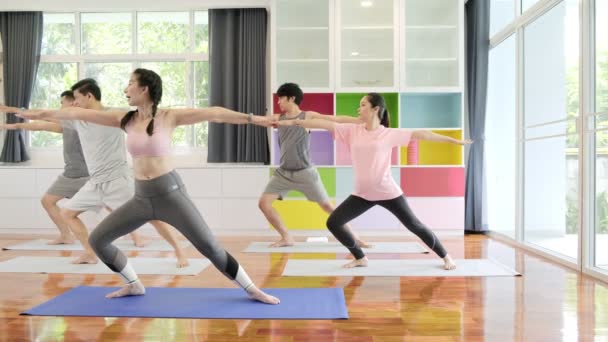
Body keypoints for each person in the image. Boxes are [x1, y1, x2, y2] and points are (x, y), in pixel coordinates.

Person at [11, 68, 280, 304]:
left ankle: (252, 289)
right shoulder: (124, 119)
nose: (125, 88)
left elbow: (215, 114)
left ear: (145, 88)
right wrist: (35, 113)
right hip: (141, 197)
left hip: (170, 194)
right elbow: (74, 111)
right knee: (98, 240)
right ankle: (133, 284)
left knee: (209, 247)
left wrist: (255, 119)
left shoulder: (169, 117)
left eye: (130, 83)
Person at [2, 79, 189, 267]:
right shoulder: (77, 120)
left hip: (117, 180)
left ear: (89, 96)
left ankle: (180, 252)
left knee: (150, 216)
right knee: (67, 213)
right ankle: (91, 253)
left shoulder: (115, 115)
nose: (74, 103)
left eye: (76, 98)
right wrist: (11, 111)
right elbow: (44, 117)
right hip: (95, 183)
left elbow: (147, 116)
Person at [277, 92, 472, 270]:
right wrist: (285, 123)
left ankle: (446, 257)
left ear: (375, 109)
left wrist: (454, 141)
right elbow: (320, 123)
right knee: (334, 222)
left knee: (414, 225)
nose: (358, 109)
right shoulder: (352, 131)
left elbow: (424, 134)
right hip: (362, 194)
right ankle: (360, 257)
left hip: (388, 192)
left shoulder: (389, 134)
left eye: (362, 105)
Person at [260, 83, 371, 248]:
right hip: (283, 173)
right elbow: (259, 120)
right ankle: (286, 237)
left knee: (327, 206)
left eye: (281, 99)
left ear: (291, 98)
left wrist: (358, 121)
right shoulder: (278, 118)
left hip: (305, 172)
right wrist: (245, 118)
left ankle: (355, 238)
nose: (278, 103)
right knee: (264, 203)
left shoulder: (308, 116)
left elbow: (335, 119)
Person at [0, 90, 88, 245]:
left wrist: (12, 110)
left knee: (110, 203)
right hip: (70, 174)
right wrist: (8, 125)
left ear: (72, 102)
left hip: (87, 174)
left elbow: (42, 115)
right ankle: (66, 235)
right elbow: (41, 125)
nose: (60, 106)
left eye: (62, 102)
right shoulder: (65, 124)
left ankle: (135, 235)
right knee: (47, 201)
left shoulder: (79, 121)